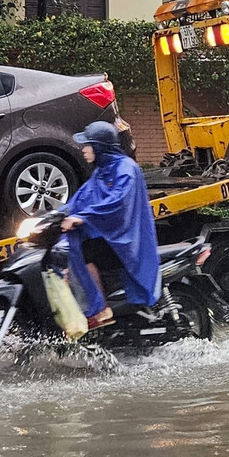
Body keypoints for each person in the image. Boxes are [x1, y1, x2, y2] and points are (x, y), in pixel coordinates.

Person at [59, 121, 161, 329]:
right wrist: (57, 214)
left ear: (100, 146)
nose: (84, 149)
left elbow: (117, 202)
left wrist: (83, 218)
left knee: (85, 250)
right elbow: (82, 197)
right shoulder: (102, 171)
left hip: (129, 242)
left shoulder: (126, 169)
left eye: (87, 145)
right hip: (113, 239)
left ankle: (98, 309)